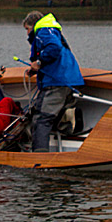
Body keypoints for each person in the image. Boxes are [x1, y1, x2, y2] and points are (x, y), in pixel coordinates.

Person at [23, 11, 84, 152]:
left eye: (27, 29)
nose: (27, 34)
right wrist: (36, 68)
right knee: (48, 113)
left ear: (33, 25)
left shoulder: (42, 31)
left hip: (56, 81)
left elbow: (54, 48)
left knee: (41, 119)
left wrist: (38, 62)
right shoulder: (52, 30)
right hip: (69, 79)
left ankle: (39, 157)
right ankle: (69, 122)